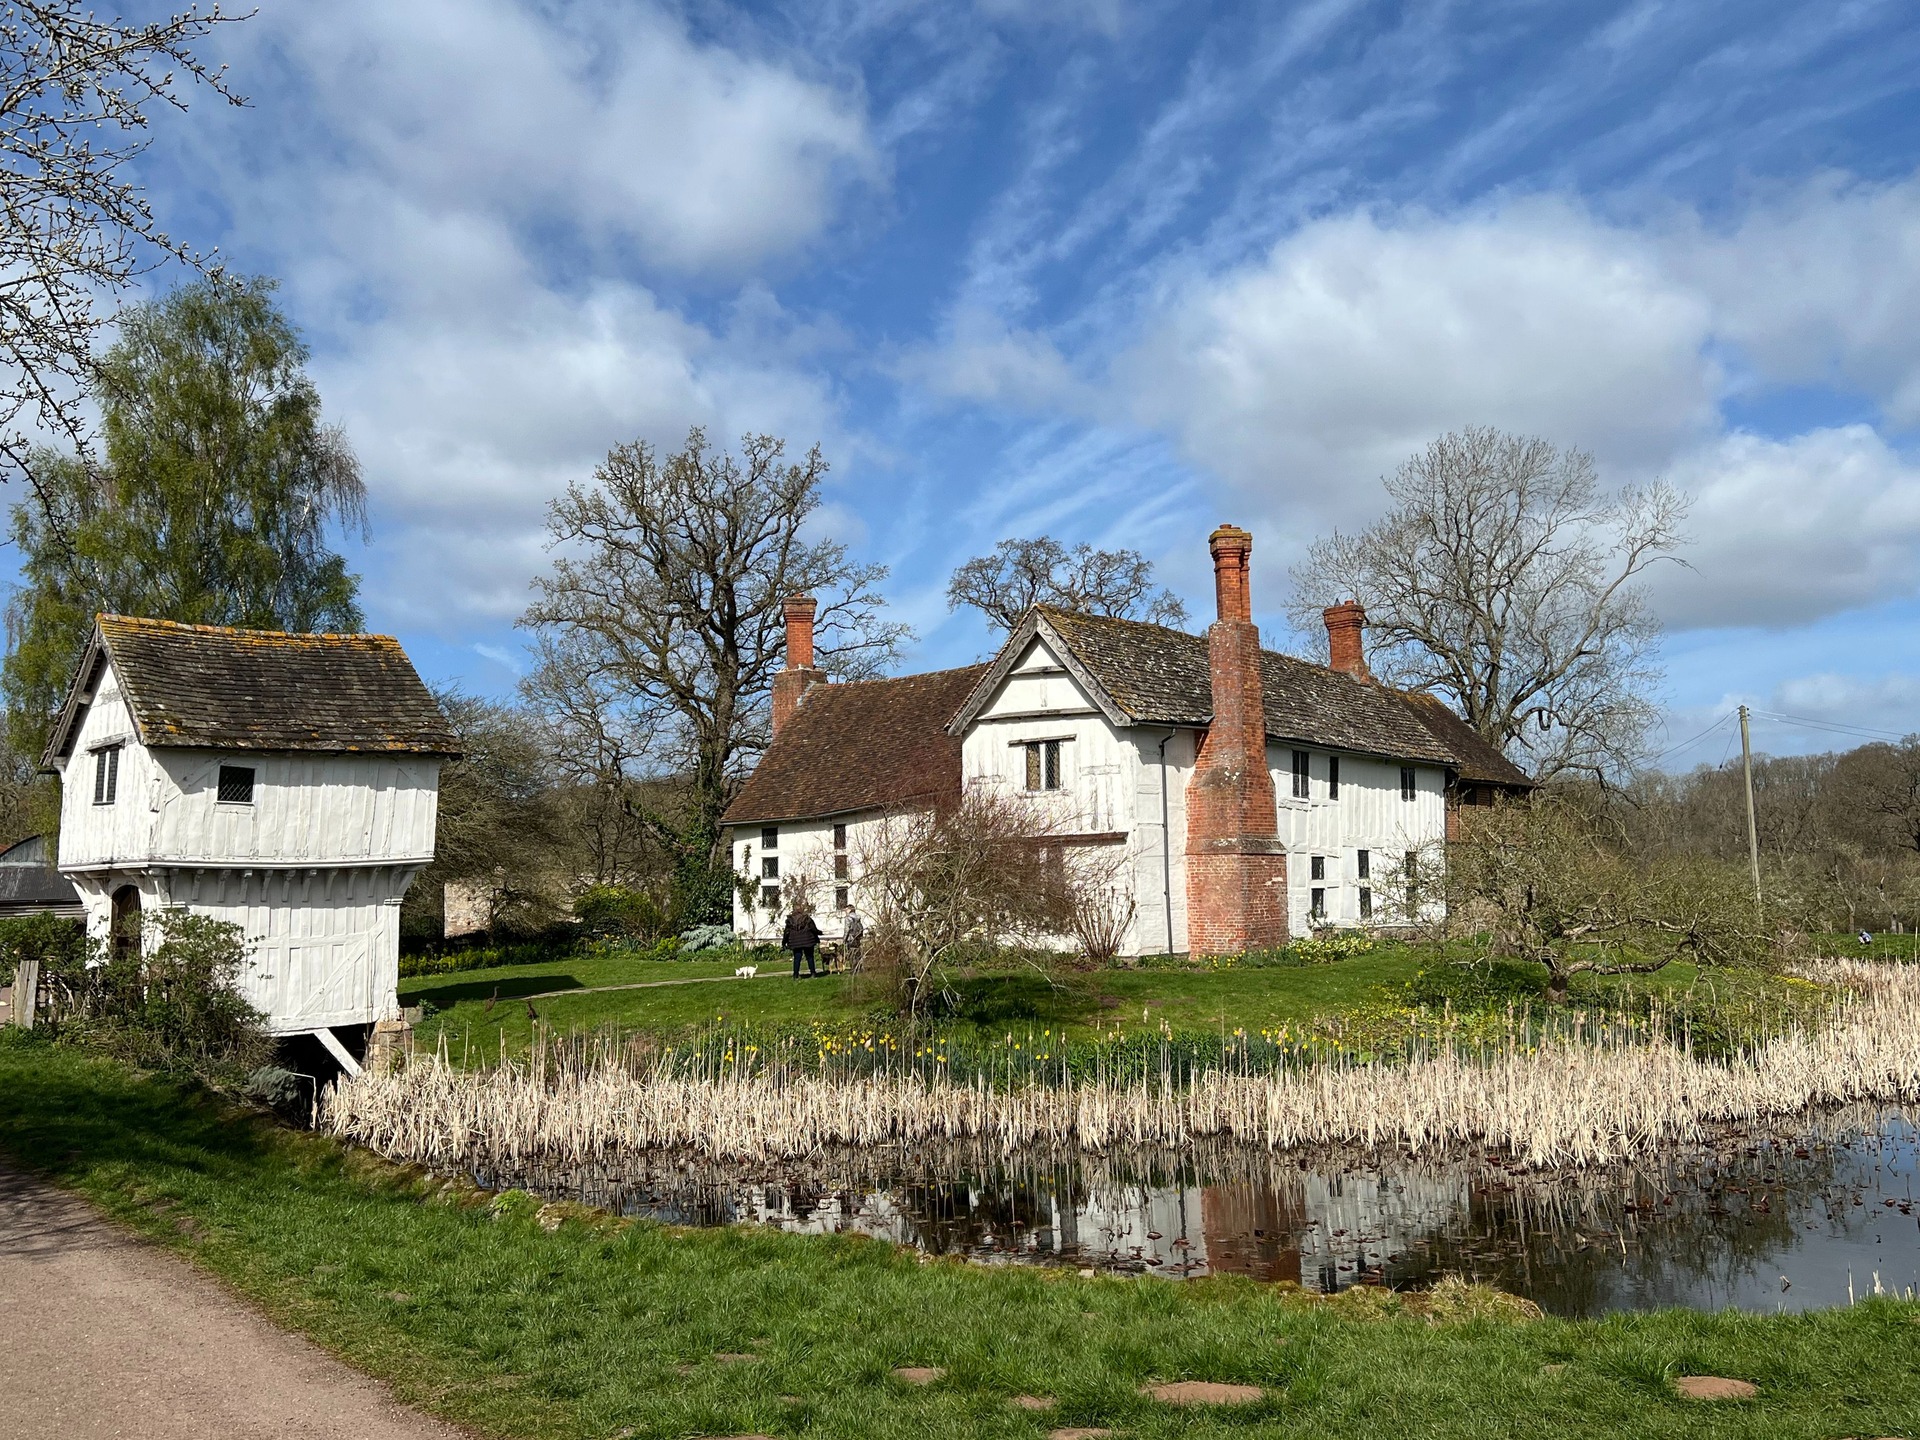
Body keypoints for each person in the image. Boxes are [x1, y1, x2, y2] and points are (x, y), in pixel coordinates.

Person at [783, 905, 821, 979]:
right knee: (810, 957)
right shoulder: (807, 918)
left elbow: (786, 932)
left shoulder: (790, 920)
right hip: (808, 940)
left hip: (795, 941)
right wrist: (819, 933)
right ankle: (813, 973)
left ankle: (795, 975)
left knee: (797, 958)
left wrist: (784, 942)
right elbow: (813, 928)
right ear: (802, 910)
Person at [842, 907, 864, 972]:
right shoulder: (858, 917)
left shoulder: (848, 918)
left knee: (851, 954)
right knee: (857, 953)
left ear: (850, 910)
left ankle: (853, 969)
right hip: (857, 938)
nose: (845, 911)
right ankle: (859, 968)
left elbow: (847, 929)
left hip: (850, 938)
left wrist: (844, 939)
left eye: (846, 910)